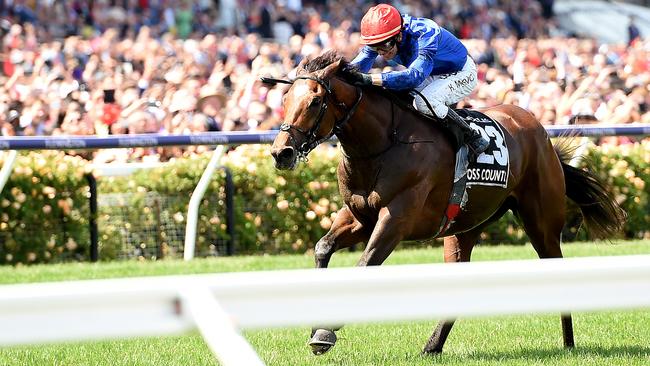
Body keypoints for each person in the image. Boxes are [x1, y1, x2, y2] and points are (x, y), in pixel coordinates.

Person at [348, 4, 489, 156]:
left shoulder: (425, 33)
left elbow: (414, 76)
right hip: (430, 73)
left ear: (399, 35)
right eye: (374, 47)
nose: (380, 52)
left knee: (424, 102)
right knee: (393, 95)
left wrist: (370, 79)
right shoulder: (382, 37)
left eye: (384, 46)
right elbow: (355, 68)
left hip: (461, 72)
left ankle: (471, 135)